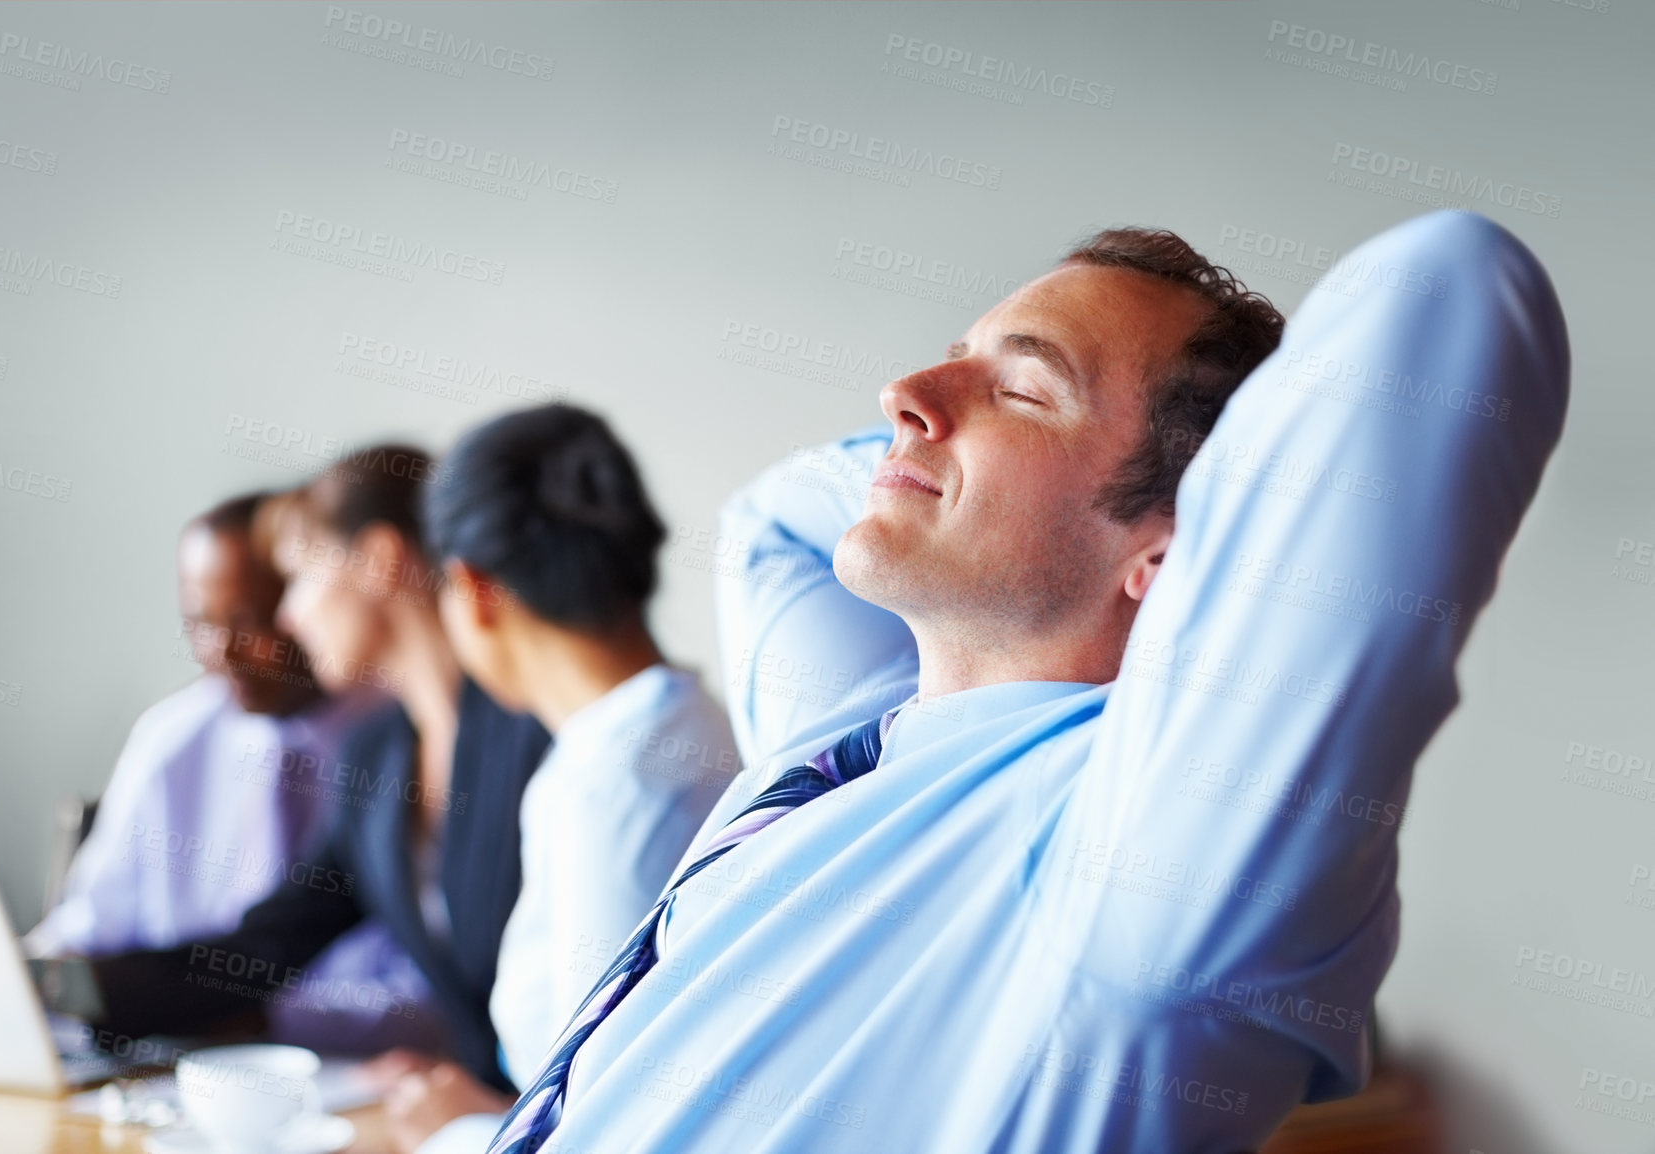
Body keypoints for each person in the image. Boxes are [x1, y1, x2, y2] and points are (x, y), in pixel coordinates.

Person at [483, 211, 1569, 1153]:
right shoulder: (843, 737)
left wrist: (1196, 550)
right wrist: (965, 439)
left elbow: (1446, 286)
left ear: (1179, 555)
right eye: (954, 356)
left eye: (1020, 387)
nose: (905, 392)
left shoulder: (1142, 851)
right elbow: (775, 523)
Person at [86, 447, 553, 1089]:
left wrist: (485, 1111)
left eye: (302, 575)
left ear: (381, 563)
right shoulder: (377, 759)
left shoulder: (535, 730)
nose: (287, 616)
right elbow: (268, 946)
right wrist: (78, 988)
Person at [379, 405, 738, 1153]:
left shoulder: (610, 786)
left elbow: (615, 1125)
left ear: (473, 590)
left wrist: (467, 1128)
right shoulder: (683, 725)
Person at [25, 491, 379, 956]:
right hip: (171, 1020)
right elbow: (92, 924)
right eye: (200, 624)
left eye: (249, 622)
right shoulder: (171, 738)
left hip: (336, 1028)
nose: (223, 652)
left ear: (300, 600)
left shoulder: (390, 743)